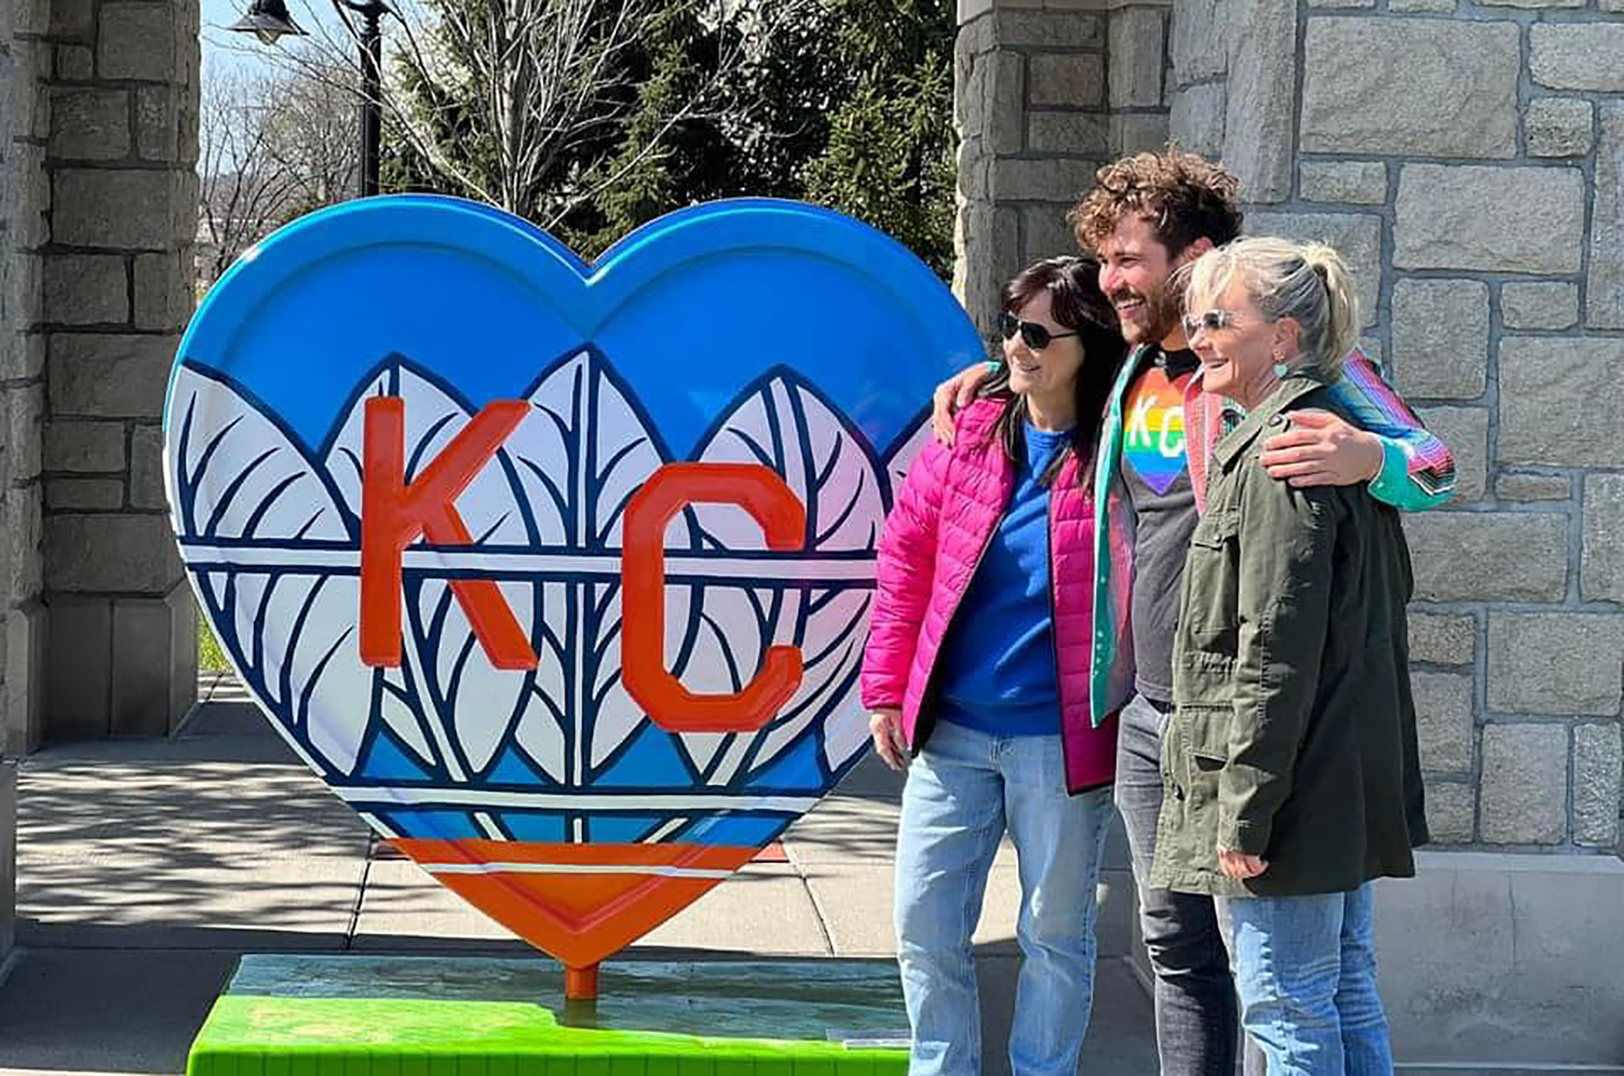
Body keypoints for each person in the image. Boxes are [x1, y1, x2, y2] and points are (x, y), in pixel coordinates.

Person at [929, 147, 1456, 1076]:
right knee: (1179, 953)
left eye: (1128, 259)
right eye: (1103, 260)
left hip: (1260, 711)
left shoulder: (1303, 373)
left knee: (1299, 976)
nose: (1110, 279)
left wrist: (1371, 461)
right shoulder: (1129, 368)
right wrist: (989, 376)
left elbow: (1436, 465)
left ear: (1193, 254)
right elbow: (1046, 361)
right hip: (1152, 714)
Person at [1155, 236, 1425, 1076]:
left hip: (1293, 791)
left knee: (1286, 1002)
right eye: (1194, 317)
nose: (1196, 335)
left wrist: (1246, 807)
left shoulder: (1292, 454)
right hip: (1327, 777)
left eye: (1215, 319)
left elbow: (1274, 651)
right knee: (1338, 989)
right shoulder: (1301, 435)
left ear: (1280, 338)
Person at [860, 256, 1126, 1076]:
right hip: (954, 734)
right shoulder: (966, 432)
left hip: (1060, 741)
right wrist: (885, 690)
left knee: (1055, 936)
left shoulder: (1125, 447)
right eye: (1012, 326)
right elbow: (906, 562)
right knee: (924, 925)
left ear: (1091, 345)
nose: (1019, 345)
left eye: (1042, 333)